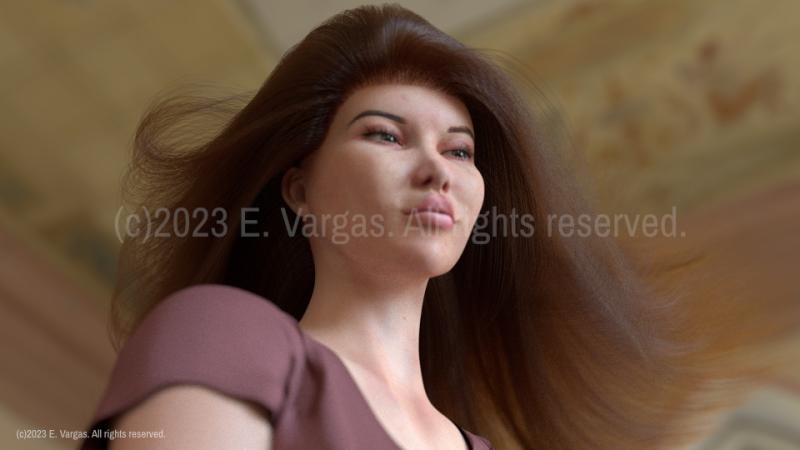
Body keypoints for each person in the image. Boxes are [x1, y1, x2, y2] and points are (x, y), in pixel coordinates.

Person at [80, 4, 799, 450]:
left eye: (460, 150)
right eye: (386, 136)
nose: (438, 170)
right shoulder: (223, 333)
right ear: (299, 189)